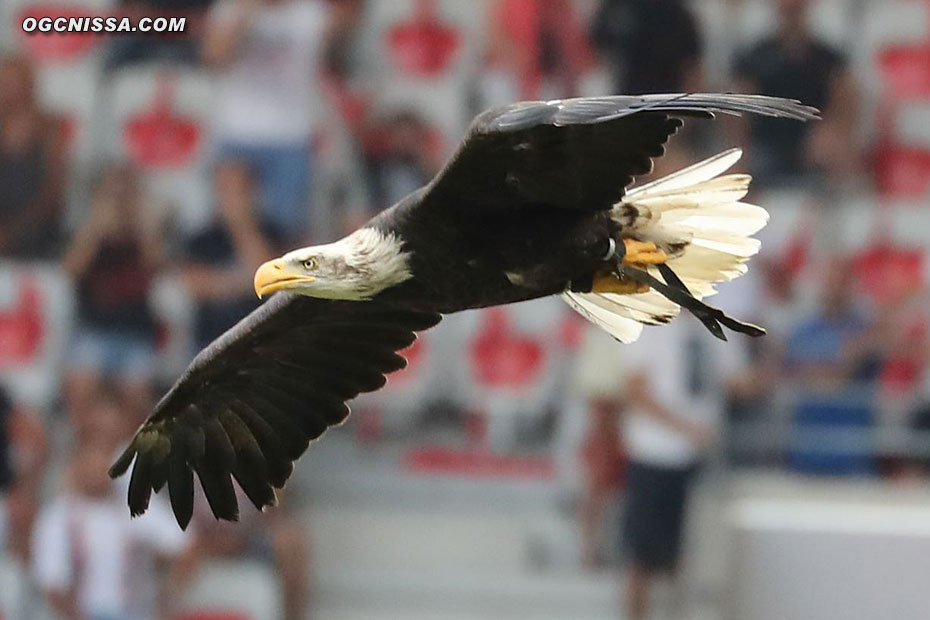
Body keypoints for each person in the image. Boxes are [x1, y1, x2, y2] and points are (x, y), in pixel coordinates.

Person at [618, 316, 742, 620]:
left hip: (698, 458)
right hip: (654, 453)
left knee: (685, 555)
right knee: (642, 556)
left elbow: (734, 378)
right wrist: (684, 428)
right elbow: (635, 391)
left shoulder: (712, 324)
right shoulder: (648, 325)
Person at [31, 400, 193, 620]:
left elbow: (186, 547)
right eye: (91, 460)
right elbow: (53, 586)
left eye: (105, 460)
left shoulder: (137, 508)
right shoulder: (57, 517)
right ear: (76, 465)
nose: (99, 469)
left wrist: (166, 598)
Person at [202, 0, 339, 243]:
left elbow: (333, 57)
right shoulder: (230, 8)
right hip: (237, 131)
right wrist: (244, 14)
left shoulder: (312, 12)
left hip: (291, 135)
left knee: (286, 231)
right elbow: (213, 59)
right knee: (229, 230)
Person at [62, 164, 163, 421]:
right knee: (80, 394)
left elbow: (156, 268)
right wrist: (96, 225)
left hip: (134, 333)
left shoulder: (143, 235)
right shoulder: (87, 233)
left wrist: (143, 220)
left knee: (139, 407)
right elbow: (70, 270)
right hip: (92, 329)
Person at [731, 0, 858, 186]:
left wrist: (832, 132)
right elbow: (738, 112)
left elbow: (843, 102)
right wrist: (743, 148)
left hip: (813, 147)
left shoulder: (827, 60)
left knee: (836, 154)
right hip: (766, 146)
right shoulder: (754, 60)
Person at [181, 161, 283, 351]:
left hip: (262, 340)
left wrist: (241, 224)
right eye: (224, 189)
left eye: (237, 189)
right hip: (211, 342)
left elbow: (269, 279)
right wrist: (244, 282)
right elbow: (195, 286)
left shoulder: (272, 232)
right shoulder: (202, 239)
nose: (229, 197)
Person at [0, 53, 68, 259]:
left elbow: (52, 196)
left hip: (34, 222)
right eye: (4, 82)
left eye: (15, 82)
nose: (9, 90)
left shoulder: (51, 128)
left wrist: (12, 230)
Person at [590, 0, 703, 95]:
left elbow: (691, 66)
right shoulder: (616, 7)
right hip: (623, 101)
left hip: (666, 101)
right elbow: (598, 45)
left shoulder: (676, 12)